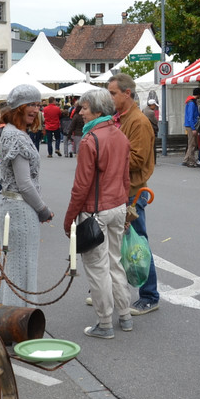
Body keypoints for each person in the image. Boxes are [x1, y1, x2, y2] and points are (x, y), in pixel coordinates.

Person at [64, 88, 133, 339]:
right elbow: (125, 177)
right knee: (115, 262)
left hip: (96, 211)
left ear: (97, 111)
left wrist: (69, 218)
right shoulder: (120, 135)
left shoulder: (89, 140)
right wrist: (125, 207)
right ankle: (124, 315)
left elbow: (81, 186)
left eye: (84, 108)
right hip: (117, 206)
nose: (80, 112)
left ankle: (105, 322)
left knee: (97, 267)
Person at [0, 84, 54, 307]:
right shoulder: (16, 137)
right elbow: (25, 184)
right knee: (21, 269)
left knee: (15, 267)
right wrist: (43, 210)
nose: (36, 109)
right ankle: (19, 324)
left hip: (11, 205)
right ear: (18, 107)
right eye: (31, 104)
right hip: (19, 208)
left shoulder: (12, 132)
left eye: (38, 104)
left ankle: (13, 322)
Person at [107, 73, 159, 315]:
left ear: (127, 94)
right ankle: (117, 293)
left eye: (113, 93)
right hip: (120, 189)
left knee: (138, 245)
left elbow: (137, 160)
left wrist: (105, 157)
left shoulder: (138, 121)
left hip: (133, 192)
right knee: (119, 245)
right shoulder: (119, 118)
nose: (110, 97)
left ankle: (150, 296)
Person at [183, 88, 200, 167]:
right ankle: (191, 161)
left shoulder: (190, 102)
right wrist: (193, 128)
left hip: (189, 125)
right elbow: (191, 117)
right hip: (191, 125)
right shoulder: (192, 103)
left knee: (191, 143)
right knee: (192, 144)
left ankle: (186, 159)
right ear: (199, 94)